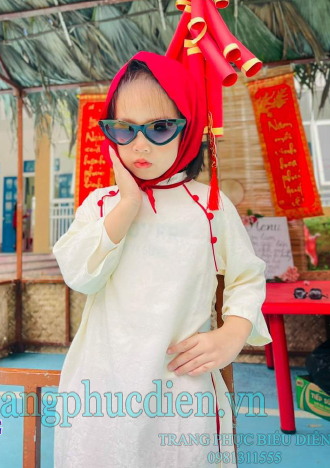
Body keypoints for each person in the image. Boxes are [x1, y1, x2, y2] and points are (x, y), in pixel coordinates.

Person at [51, 51, 272, 468]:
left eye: (160, 127)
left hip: (181, 393)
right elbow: (80, 275)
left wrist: (232, 333)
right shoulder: (102, 205)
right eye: (124, 128)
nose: (140, 144)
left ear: (188, 128)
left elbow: (247, 277)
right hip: (101, 390)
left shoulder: (209, 206)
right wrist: (128, 204)